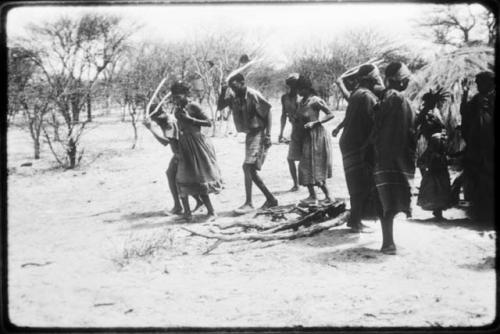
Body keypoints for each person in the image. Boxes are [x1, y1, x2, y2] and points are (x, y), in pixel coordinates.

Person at [372, 62, 417, 255]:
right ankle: (388, 243)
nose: (407, 82)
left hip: (387, 155)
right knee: (388, 198)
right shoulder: (395, 97)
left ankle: (388, 242)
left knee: (386, 197)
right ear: (397, 81)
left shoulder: (390, 97)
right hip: (391, 156)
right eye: (404, 79)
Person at [218, 73, 278, 213]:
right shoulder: (235, 97)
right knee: (249, 169)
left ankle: (250, 202)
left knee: (248, 167)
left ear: (242, 82)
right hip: (250, 135)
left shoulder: (252, 94)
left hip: (259, 133)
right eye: (231, 87)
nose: (233, 89)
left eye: (235, 86)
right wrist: (222, 91)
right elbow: (220, 106)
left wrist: (268, 135)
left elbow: (267, 111)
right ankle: (270, 199)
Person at [337, 64, 382, 232]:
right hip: (358, 144)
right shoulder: (367, 97)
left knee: (356, 183)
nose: (379, 79)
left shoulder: (357, 93)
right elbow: (371, 123)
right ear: (372, 78)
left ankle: (355, 219)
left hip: (350, 142)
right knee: (360, 183)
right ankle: (355, 221)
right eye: (377, 76)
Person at [170, 81, 223, 221]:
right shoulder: (177, 107)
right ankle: (187, 213)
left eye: (178, 95)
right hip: (184, 144)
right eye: (174, 96)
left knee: (199, 179)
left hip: (196, 143)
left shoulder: (193, 105)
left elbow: (209, 122)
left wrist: (190, 119)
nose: (175, 98)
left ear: (185, 93)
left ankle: (211, 212)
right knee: (181, 178)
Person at [143, 106, 204, 215]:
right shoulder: (167, 120)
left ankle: (183, 207)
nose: (155, 121)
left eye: (155, 118)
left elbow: (165, 142)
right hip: (181, 153)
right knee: (172, 175)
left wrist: (151, 128)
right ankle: (183, 205)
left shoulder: (169, 123)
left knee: (180, 179)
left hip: (183, 154)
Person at [459, 71, 494, 223]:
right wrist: (465, 94)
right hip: (477, 147)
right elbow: (465, 113)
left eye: (481, 83)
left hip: (491, 146)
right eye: (477, 83)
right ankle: (480, 213)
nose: (478, 86)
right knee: (477, 179)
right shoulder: (476, 99)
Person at [295, 74, 335, 205]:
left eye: (300, 89)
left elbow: (330, 114)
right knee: (304, 167)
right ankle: (313, 196)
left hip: (317, 137)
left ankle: (328, 196)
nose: (299, 92)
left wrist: (316, 123)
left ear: (306, 88)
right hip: (306, 137)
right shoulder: (301, 102)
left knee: (316, 166)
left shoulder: (315, 100)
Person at [415, 88, 452, 220]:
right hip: (429, 147)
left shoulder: (436, 113)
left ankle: (438, 209)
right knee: (432, 179)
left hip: (437, 148)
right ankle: (436, 208)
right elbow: (418, 125)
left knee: (438, 178)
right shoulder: (426, 113)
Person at [278, 73, 301, 191]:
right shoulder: (284, 98)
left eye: (295, 84)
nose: (293, 87)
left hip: (305, 130)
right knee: (290, 158)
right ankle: (296, 184)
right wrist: (281, 133)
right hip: (294, 131)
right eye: (291, 84)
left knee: (306, 158)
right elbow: (283, 115)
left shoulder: (303, 97)